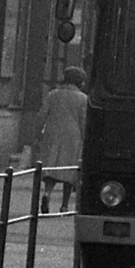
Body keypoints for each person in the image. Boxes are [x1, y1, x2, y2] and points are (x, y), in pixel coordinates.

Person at [35, 66, 88, 213]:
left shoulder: (53, 95)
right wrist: (85, 139)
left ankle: (47, 193)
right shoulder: (83, 99)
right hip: (73, 136)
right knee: (69, 170)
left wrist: (38, 134)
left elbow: (41, 115)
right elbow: (84, 121)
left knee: (51, 167)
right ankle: (64, 206)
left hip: (52, 133)